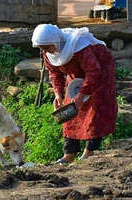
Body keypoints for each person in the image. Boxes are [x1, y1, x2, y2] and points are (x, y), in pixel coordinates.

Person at [31, 24, 118, 163]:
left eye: (47, 48)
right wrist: (58, 94)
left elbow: (94, 71)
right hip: (77, 72)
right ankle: (69, 154)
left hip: (100, 69)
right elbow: (55, 73)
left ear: (56, 42)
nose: (46, 51)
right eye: (42, 49)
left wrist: (82, 93)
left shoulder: (79, 47)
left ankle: (89, 152)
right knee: (69, 110)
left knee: (95, 110)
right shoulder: (48, 51)